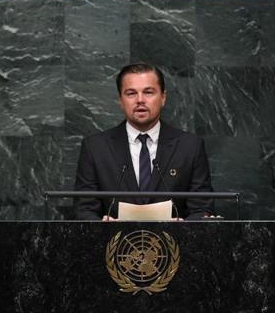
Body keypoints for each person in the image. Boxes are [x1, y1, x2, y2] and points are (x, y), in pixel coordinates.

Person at [74, 63, 215, 220]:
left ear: (163, 98)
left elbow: (202, 208)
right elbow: (84, 210)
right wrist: (102, 226)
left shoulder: (190, 147)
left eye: (148, 92)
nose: (140, 100)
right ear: (120, 100)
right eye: (131, 93)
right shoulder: (95, 148)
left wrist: (181, 228)